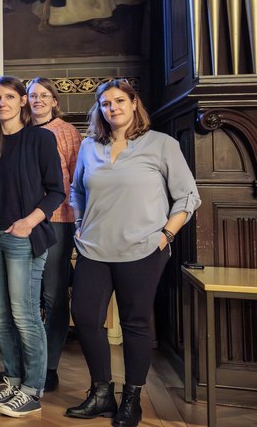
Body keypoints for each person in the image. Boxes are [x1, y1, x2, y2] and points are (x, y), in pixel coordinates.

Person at [66, 80, 200, 426]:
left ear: (133, 103)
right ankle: (101, 393)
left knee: (135, 324)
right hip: (94, 248)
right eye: (106, 103)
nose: (113, 108)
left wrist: (167, 234)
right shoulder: (89, 146)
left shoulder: (161, 145)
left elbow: (187, 196)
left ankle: (131, 399)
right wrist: (80, 221)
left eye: (120, 101)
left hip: (143, 249)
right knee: (84, 318)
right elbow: (77, 189)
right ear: (99, 110)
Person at [0, 76, 65, 418]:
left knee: (25, 315)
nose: (2, 103)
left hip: (24, 237)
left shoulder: (40, 139)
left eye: (9, 97)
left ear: (22, 102)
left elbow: (56, 190)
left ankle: (33, 389)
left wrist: (29, 221)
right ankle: (12, 381)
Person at [27, 76, 82, 391]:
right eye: (33, 95)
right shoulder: (19, 131)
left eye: (44, 95)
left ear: (54, 100)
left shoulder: (67, 132)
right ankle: (29, 362)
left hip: (58, 220)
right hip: (23, 224)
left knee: (54, 294)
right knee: (27, 296)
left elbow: (77, 178)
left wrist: (76, 220)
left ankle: (49, 367)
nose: (37, 100)